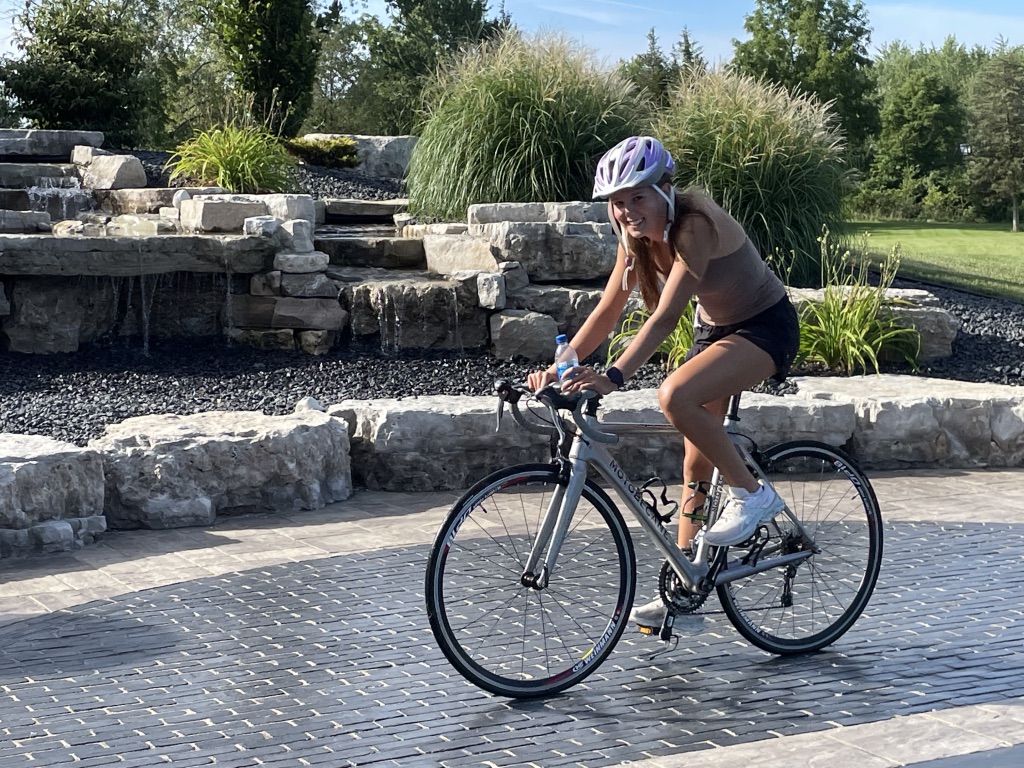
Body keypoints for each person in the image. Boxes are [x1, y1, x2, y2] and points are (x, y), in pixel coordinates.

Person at [527, 135, 800, 631]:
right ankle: (687, 587)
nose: (628, 211)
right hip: (715, 329)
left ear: (665, 190)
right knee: (695, 460)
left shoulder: (694, 226)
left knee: (675, 395)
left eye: (638, 197)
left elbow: (667, 316)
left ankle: (753, 495)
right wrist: (560, 364)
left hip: (765, 326)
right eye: (618, 202)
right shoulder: (633, 240)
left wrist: (612, 376)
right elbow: (609, 309)